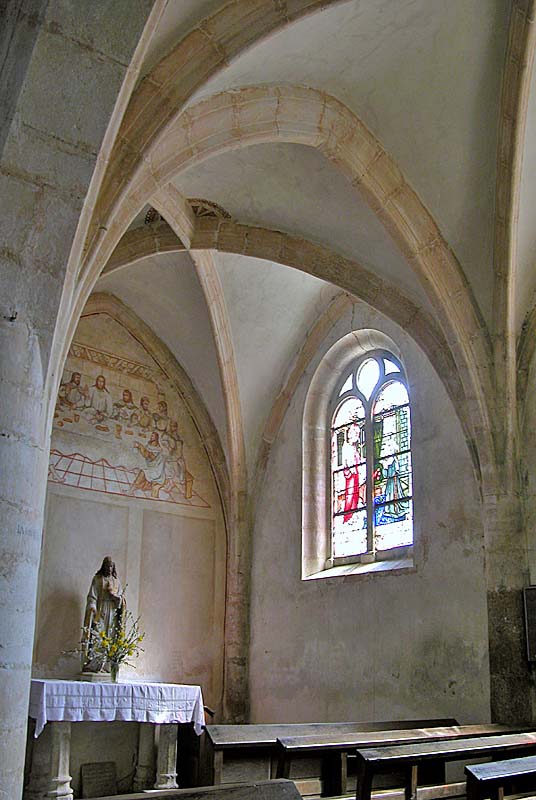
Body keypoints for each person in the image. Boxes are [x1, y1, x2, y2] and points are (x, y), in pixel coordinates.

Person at [82, 556, 125, 672]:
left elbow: (121, 598)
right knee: (97, 637)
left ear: (113, 567)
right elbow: (92, 596)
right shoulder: (97, 579)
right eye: (107, 566)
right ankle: (95, 665)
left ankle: (107, 666)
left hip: (112, 611)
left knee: (110, 636)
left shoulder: (116, 582)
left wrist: (116, 598)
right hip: (100, 611)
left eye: (111, 566)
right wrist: (92, 606)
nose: (109, 568)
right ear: (103, 566)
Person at [130, 431, 166, 497]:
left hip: (157, 470)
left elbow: (149, 456)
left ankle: (130, 490)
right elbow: (146, 453)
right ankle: (131, 490)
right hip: (151, 467)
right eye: (151, 436)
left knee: (142, 472)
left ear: (156, 438)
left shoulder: (157, 449)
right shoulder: (149, 445)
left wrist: (140, 446)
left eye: (152, 436)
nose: (151, 437)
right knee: (141, 473)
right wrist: (139, 447)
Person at [342, 423, 366, 522]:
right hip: (351, 474)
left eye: (358, 434)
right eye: (355, 433)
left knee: (355, 495)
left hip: (356, 473)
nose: (357, 436)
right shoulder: (346, 447)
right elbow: (346, 461)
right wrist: (350, 470)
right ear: (350, 434)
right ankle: (347, 517)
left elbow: (358, 460)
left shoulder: (354, 448)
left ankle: (353, 514)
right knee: (350, 495)